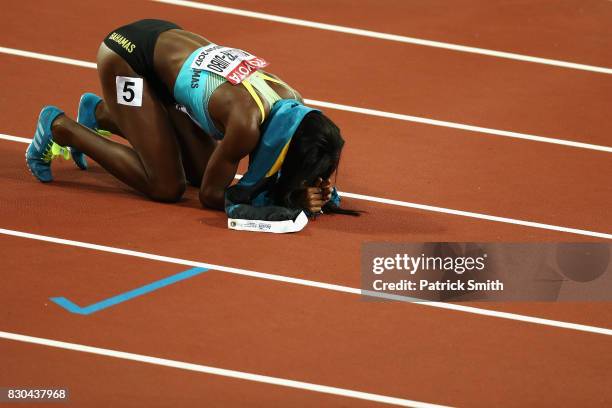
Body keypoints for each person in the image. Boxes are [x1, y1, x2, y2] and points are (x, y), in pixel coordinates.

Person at [25, 19, 358, 220]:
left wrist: (319, 184)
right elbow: (212, 197)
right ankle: (62, 127)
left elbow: (305, 149)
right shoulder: (246, 125)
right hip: (129, 58)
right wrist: (286, 201)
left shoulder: (293, 105)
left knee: (197, 173)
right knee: (167, 186)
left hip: (167, 45)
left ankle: (103, 114)